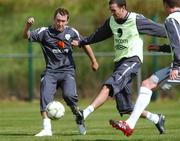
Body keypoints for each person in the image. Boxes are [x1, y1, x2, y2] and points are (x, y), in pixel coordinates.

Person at [71, 0, 167, 136]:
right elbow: (98, 35)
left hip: (132, 60)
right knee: (126, 107)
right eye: (110, 10)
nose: (112, 13)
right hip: (119, 63)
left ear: (123, 8)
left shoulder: (136, 20)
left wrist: (175, 32)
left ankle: (84, 113)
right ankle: (156, 118)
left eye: (114, 10)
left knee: (109, 85)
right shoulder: (111, 21)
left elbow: (160, 29)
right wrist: (82, 42)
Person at [23, 7, 99, 137]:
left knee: (69, 96)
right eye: (58, 20)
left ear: (67, 21)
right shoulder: (44, 32)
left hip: (67, 71)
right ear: (54, 19)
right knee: (45, 94)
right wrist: (27, 26)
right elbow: (26, 36)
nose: (60, 23)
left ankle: (79, 117)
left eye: (63, 21)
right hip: (51, 71)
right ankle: (47, 128)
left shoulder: (72, 32)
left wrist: (94, 60)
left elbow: (85, 43)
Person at [109, 0, 180, 137]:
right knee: (147, 84)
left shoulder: (171, 19)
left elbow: (177, 43)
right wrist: (161, 48)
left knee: (147, 85)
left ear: (165, 5)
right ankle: (132, 123)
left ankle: (129, 124)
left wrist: (177, 66)